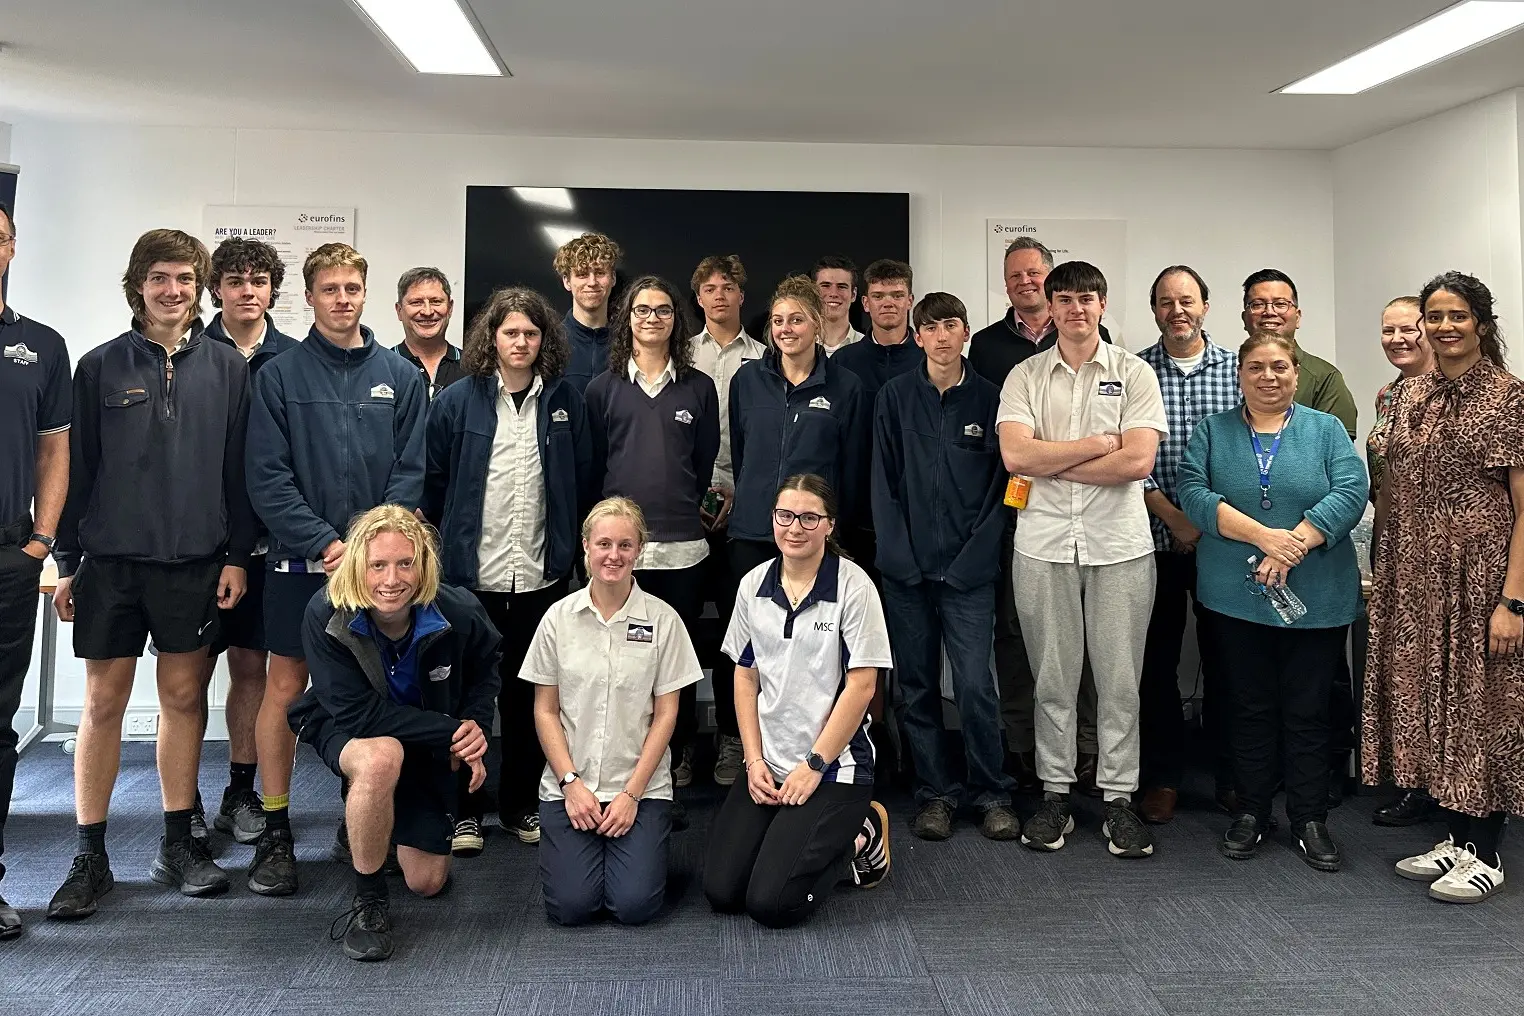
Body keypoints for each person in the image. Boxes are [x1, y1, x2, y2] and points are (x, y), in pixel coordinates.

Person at [47, 229, 254, 918]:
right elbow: (77, 470)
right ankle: (90, 855)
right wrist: (68, 563)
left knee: (183, 700)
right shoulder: (99, 366)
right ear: (138, 284)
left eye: (185, 278)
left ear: (200, 288)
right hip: (110, 564)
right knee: (102, 705)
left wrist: (235, 555)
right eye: (161, 277)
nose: (173, 290)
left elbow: (237, 472)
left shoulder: (228, 368)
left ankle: (178, 844)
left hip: (193, 563)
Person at [245, 242, 427, 897]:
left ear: (365, 293)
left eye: (352, 288)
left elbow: (410, 471)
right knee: (285, 687)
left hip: (381, 571)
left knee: (377, 690)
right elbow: (267, 477)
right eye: (330, 289)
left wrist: (371, 549)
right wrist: (329, 545)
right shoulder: (278, 376)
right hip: (301, 564)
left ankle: (363, 819)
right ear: (310, 296)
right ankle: (276, 829)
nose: (342, 299)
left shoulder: (400, 377)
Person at [1177, 331, 1367, 872]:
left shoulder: (1325, 429)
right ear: (1239, 375)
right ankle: (1252, 811)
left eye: (1280, 366)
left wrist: (1294, 544)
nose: (1268, 376)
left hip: (1317, 596)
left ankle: (1309, 818)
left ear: (1296, 374)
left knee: (1308, 712)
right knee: (1249, 707)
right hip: (1235, 597)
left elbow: (1351, 491)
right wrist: (1264, 537)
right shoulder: (1212, 431)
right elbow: (1194, 493)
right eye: (1256, 367)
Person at [996, 260, 1165, 859]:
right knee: (1053, 679)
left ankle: (1119, 798)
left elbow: (1137, 462)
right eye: (1063, 299)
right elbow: (1017, 457)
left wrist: (1054, 461)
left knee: (1118, 681)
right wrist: (1096, 446)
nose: (1075, 308)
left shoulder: (1135, 373)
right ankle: (1056, 794)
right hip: (1043, 546)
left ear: (1102, 304)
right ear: (1050, 306)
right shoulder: (1024, 376)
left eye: (1086, 298)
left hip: (1119, 547)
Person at [1365, 272, 1524, 904]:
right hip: (1415, 576)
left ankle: (1486, 851)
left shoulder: (1507, 397)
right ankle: (1456, 837)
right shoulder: (1410, 394)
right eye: (1434, 316)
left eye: (1457, 316)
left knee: (1481, 706)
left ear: (1481, 323)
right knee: (1433, 702)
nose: (1444, 326)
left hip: (1480, 579)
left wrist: (1514, 601)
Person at [289, 505, 502, 961]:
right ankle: (368, 901)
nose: (391, 579)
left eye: (405, 563)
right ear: (357, 565)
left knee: (427, 882)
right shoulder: (325, 611)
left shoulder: (458, 609)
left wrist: (476, 726)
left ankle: (372, 822)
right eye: (378, 565)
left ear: (422, 564)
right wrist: (451, 732)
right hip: (346, 723)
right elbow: (359, 714)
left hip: (424, 734)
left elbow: (486, 668)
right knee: (380, 758)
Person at [424, 286, 592, 854]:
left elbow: (584, 480)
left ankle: (520, 804)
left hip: (541, 578)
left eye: (531, 333)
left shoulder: (565, 401)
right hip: (470, 581)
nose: (521, 342)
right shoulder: (457, 400)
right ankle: (465, 811)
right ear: (491, 338)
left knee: (528, 700)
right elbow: (434, 482)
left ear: (545, 340)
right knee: (464, 699)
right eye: (510, 332)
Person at [703, 474, 893, 927]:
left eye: (810, 518)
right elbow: (744, 676)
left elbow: (862, 688)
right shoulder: (753, 585)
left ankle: (861, 835)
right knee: (722, 892)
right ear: (772, 519)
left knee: (771, 904)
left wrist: (813, 766)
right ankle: (789, 835)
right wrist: (752, 760)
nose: (795, 528)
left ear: (829, 525)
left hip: (833, 767)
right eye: (785, 515)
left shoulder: (854, 587)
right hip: (769, 763)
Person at [873, 293, 1016, 841]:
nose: (940, 336)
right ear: (918, 337)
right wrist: (899, 560)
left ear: (965, 333)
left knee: (976, 685)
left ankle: (992, 791)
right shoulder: (894, 397)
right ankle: (935, 793)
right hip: (906, 575)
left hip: (968, 575)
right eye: (929, 328)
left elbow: (1004, 492)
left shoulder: (991, 399)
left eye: (950, 325)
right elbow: (882, 484)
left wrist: (973, 561)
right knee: (915, 687)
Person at [968, 236, 1108, 793]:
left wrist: (1061, 458)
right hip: (1012, 509)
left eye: (1034, 273)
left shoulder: (1094, 337)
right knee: (1017, 632)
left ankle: (1087, 747)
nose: (1025, 282)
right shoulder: (985, 346)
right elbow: (1007, 447)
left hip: (1087, 512)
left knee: (1087, 637)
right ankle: (1024, 744)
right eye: (1015, 276)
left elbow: (1119, 442)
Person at [521, 497, 702, 925]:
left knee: (635, 906)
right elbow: (545, 711)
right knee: (571, 908)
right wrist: (570, 784)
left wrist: (631, 794)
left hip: (639, 788)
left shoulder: (664, 620)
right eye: (604, 544)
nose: (613, 555)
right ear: (586, 546)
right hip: (571, 785)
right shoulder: (557, 619)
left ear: (640, 549)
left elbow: (667, 716)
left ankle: (643, 842)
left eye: (625, 544)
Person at [584, 276, 719, 816]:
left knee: (674, 666)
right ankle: (622, 765)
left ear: (675, 320)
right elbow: (594, 466)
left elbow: (703, 463)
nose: (652, 319)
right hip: (620, 555)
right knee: (623, 664)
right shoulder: (603, 388)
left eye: (663, 310)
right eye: (642, 310)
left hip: (683, 549)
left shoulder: (698, 388)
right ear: (627, 319)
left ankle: (675, 758)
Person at [1241, 267, 1360, 798]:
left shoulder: (1325, 387)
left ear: (1297, 314)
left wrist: (1291, 543)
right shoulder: (1226, 402)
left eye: (1280, 303)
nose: (1269, 312)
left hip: (1313, 568)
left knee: (1316, 691)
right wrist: (1263, 538)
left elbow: (1341, 479)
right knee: (1249, 693)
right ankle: (1251, 792)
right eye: (1259, 303)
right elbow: (1206, 484)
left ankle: (1320, 787)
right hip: (1243, 568)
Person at [200, 236, 300, 848]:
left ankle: (242, 791)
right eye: (235, 281)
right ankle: (181, 807)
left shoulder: (291, 359)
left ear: (272, 290)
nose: (247, 291)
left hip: (266, 544)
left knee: (251, 669)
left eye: (258, 281)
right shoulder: (191, 351)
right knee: (186, 678)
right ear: (217, 289)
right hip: (198, 540)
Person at [1135, 266, 1239, 823]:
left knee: (1228, 660)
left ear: (1205, 305)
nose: (1177, 310)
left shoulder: (1237, 369)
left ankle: (1231, 777)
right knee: (1155, 664)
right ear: (1154, 309)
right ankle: (1163, 778)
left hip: (1224, 542)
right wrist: (1175, 519)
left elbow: (1246, 450)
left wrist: (1203, 522)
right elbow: (1129, 457)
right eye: (1166, 301)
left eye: (1187, 300)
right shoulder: (1134, 370)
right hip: (1151, 539)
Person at [0, 200, 70, 939]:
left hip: (7, 557)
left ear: (13, 247)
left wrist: (42, 542)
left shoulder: (40, 346)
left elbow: (55, 448)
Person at [728, 276, 866, 593]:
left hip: (812, 533)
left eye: (796, 320)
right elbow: (740, 453)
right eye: (778, 321)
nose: (785, 329)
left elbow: (852, 468)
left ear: (817, 324)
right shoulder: (746, 381)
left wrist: (833, 526)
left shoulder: (846, 386)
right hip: (752, 531)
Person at [687, 255, 765, 787]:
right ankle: (679, 744)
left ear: (741, 295)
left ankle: (735, 738)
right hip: (685, 506)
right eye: (709, 288)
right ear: (698, 299)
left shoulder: (764, 356)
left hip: (747, 506)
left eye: (728, 287)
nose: (719, 295)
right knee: (682, 628)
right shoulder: (682, 354)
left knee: (740, 631)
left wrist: (741, 493)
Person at [1364, 295, 1438, 829]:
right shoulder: (1388, 396)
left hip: (1450, 552)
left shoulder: (1465, 393)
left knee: (1448, 670)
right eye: (1388, 331)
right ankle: (1417, 784)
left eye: (1408, 328)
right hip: (1394, 546)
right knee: (1407, 670)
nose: (1398, 339)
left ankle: (1460, 789)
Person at [556, 232, 621, 395]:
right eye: (582, 274)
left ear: (613, 278)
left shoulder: (629, 342)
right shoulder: (551, 342)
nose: (592, 282)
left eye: (600, 272)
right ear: (567, 281)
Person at [394, 267, 467, 400]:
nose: (427, 312)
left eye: (436, 302)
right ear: (399, 311)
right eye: (416, 302)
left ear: (450, 308)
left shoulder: (472, 368)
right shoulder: (383, 366)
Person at [813, 255, 863, 356]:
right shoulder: (799, 345)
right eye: (825, 286)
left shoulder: (868, 348)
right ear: (813, 291)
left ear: (853, 294)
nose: (833, 293)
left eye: (841, 286)